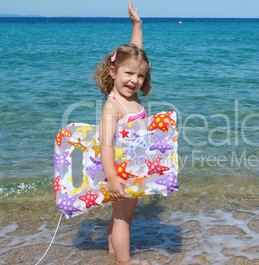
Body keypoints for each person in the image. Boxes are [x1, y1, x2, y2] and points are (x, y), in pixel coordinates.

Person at [93, 2, 151, 263]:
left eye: (140, 76)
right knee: (123, 220)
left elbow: (135, 54)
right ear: (113, 72)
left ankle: (112, 255)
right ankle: (124, 261)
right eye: (128, 74)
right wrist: (112, 178)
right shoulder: (113, 106)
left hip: (132, 167)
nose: (134, 80)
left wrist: (137, 25)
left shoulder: (132, 96)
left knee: (120, 216)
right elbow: (105, 145)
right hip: (120, 171)